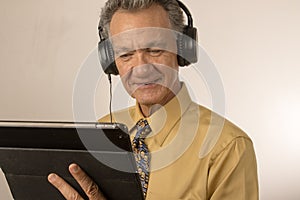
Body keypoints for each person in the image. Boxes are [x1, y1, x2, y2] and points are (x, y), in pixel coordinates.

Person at [48, 0, 259, 199]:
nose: (141, 68)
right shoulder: (101, 132)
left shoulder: (227, 147)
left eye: (155, 50)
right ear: (111, 63)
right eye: (125, 54)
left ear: (182, 51)